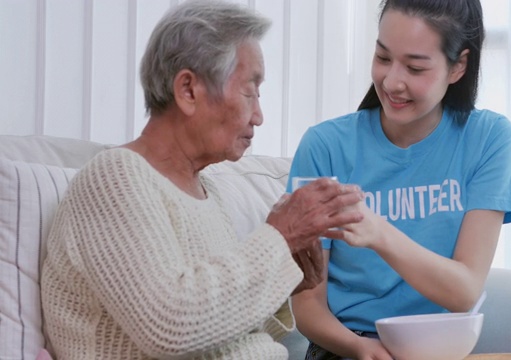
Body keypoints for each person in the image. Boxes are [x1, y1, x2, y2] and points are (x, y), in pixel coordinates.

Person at [40, 1, 364, 359]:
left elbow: (224, 331)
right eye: (249, 91)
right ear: (188, 91)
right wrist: (279, 237)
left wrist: (288, 274)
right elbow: (170, 326)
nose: (259, 116)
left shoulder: (209, 192)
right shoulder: (114, 178)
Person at [287, 0, 511, 359]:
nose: (392, 82)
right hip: (348, 348)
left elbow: (464, 291)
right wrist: (359, 347)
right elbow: (307, 304)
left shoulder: (490, 139)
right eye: (383, 58)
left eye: (415, 67)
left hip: (441, 348)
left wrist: (378, 233)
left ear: (458, 66)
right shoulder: (324, 146)